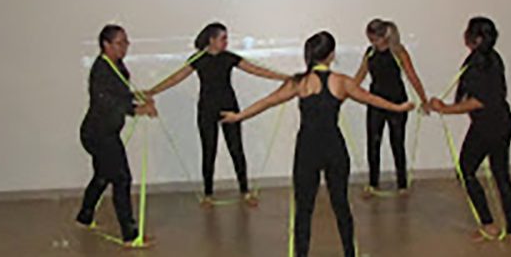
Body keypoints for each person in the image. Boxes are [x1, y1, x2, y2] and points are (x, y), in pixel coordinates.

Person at [221, 31, 415, 256]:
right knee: (341, 205)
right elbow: (373, 99)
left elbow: (267, 102)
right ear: (331, 55)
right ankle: (350, 253)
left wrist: (239, 116)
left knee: (304, 209)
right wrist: (399, 107)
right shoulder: (341, 81)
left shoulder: (300, 82)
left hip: (307, 149)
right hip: (334, 148)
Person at [146, 22, 289, 207]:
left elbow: (257, 70)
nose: (226, 42)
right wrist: (152, 91)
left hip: (229, 107)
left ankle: (245, 191)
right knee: (209, 151)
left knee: (236, 150)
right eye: (223, 38)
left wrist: (285, 78)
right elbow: (175, 78)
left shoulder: (229, 58)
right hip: (207, 109)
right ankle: (208, 195)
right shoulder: (198, 59)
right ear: (212, 40)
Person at [429, 16, 511, 244]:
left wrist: (445, 109)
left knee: (467, 170)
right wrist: (442, 105)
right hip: (502, 122)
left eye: (469, 31)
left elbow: (478, 101)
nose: (465, 34)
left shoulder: (482, 64)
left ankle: (489, 225)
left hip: (489, 127)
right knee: (501, 175)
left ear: (477, 38)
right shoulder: (489, 57)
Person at [75, 25, 157, 244]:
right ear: (106, 45)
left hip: (106, 132)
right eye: (120, 43)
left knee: (103, 176)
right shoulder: (101, 70)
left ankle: (84, 216)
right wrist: (138, 109)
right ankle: (130, 235)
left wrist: (140, 96)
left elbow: (120, 95)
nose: (125, 47)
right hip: (98, 134)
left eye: (126, 42)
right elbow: (106, 101)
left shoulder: (117, 65)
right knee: (121, 178)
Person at [354, 19, 429, 197]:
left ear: (384, 37)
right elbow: (359, 76)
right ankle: (373, 183)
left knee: (397, 142)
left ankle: (402, 184)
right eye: (370, 39)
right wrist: (342, 94)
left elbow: (412, 76)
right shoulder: (370, 53)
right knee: (373, 143)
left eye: (375, 39)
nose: (372, 42)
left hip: (397, 103)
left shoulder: (398, 52)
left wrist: (423, 99)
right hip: (375, 102)